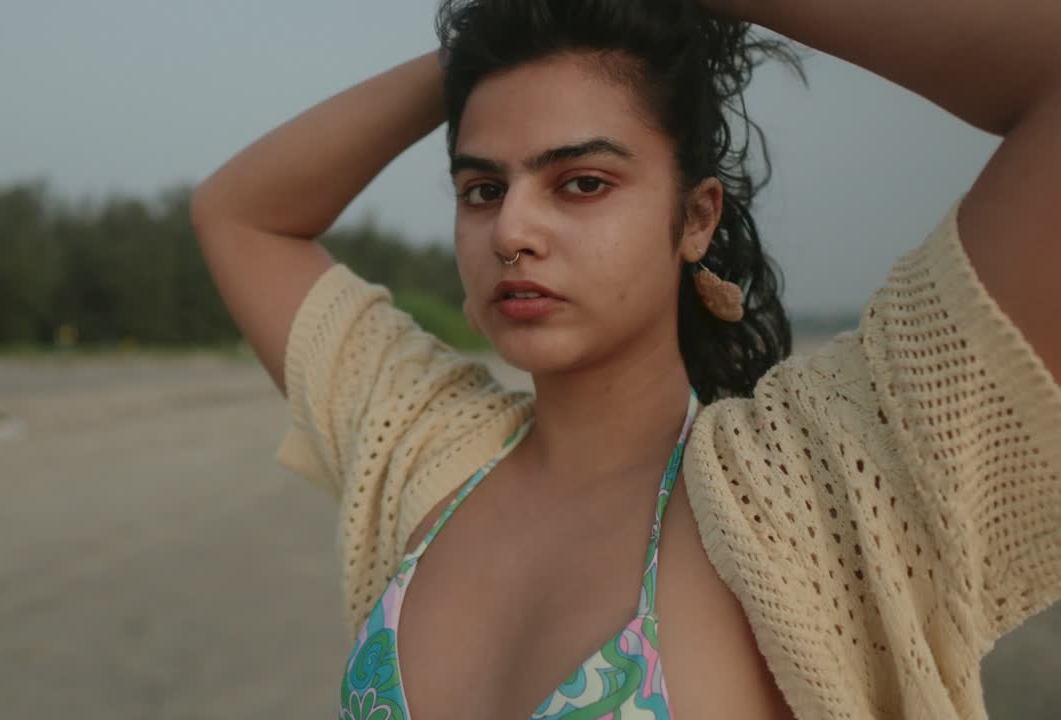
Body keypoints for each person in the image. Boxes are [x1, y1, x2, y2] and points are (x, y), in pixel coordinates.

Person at [192, 0, 1061, 717]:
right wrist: (495, 27)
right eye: (482, 189)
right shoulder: (423, 447)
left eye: (582, 182)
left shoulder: (821, 481)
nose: (512, 231)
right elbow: (239, 213)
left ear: (695, 219)